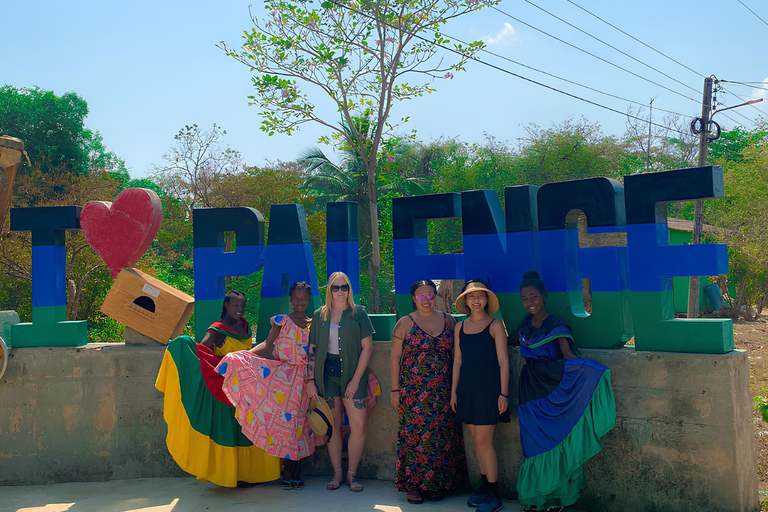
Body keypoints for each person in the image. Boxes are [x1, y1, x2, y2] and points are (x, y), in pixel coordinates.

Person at [155, 290, 280, 487]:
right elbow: (201, 351)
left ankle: (250, 474)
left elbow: (250, 352)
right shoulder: (216, 330)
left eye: (242, 306)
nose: (239, 309)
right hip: (226, 387)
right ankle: (230, 474)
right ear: (226, 305)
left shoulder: (244, 326)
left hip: (246, 384)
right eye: (235, 305)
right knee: (231, 429)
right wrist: (185, 349)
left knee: (246, 428)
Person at [516, 270, 616, 512]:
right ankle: (538, 499)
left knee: (560, 440)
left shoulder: (557, 325)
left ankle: (559, 499)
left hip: (553, 387)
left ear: (544, 297)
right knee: (533, 445)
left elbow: (569, 357)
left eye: (534, 297)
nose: (530, 302)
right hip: (529, 390)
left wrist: (594, 373)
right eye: (525, 298)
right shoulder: (523, 326)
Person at [216, 282, 325, 490]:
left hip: (306, 380)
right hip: (283, 379)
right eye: (296, 298)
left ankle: (296, 472)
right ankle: (287, 472)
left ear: (308, 300)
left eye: (304, 298)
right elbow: (267, 344)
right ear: (291, 300)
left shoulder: (315, 324)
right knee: (288, 425)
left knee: (301, 425)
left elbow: (316, 353)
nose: (300, 302)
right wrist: (244, 356)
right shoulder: (282, 322)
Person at [391, 279, 467, 505]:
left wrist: (456, 388)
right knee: (415, 438)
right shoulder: (405, 323)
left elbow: (456, 357)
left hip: (443, 391)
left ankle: (438, 484)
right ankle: (413, 486)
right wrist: (395, 389)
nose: (426, 299)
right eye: (421, 296)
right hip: (413, 392)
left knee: (441, 437)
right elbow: (395, 358)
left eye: (430, 295)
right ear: (413, 298)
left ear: (436, 296)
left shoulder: (449, 321)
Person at [307, 271, 374, 492]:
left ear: (349, 289)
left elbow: (368, 348)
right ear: (329, 290)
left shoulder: (359, 313)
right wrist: (310, 379)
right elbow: (313, 349)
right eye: (335, 288)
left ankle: (352, 475)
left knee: (358, 425)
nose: (339, 292)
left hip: (352, 375)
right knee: (333, 426)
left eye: (343, 287)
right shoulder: (320, 315)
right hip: (327, 375)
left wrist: (355, 381)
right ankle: (337, 473)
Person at [451, 279, 509, 512]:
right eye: (471, 297)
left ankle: (495, 495)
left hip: (489, 391)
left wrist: (503, 393)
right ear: (465, 301)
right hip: (467, 390)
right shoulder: (459, 327)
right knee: (477, 441)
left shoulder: (495, 326)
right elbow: (458, 361)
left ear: (487, 300)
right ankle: (484, 488)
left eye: (481, 296)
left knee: (485, 442)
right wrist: (454, 391)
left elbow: (504, 362)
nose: (476, 300)